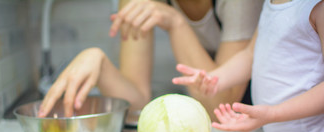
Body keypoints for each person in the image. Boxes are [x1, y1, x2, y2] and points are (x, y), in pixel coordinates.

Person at [38, 0, 263, 119]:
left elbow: (222, 108)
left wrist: (175, 22)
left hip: (255, 112)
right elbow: (136, 102)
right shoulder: (137, 2)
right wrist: (99, 61)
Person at [172, 0, 324, 132]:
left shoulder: (317, 8)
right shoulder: (271, 3)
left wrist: (273, 113)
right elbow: (250, 54)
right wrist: (215, 78)